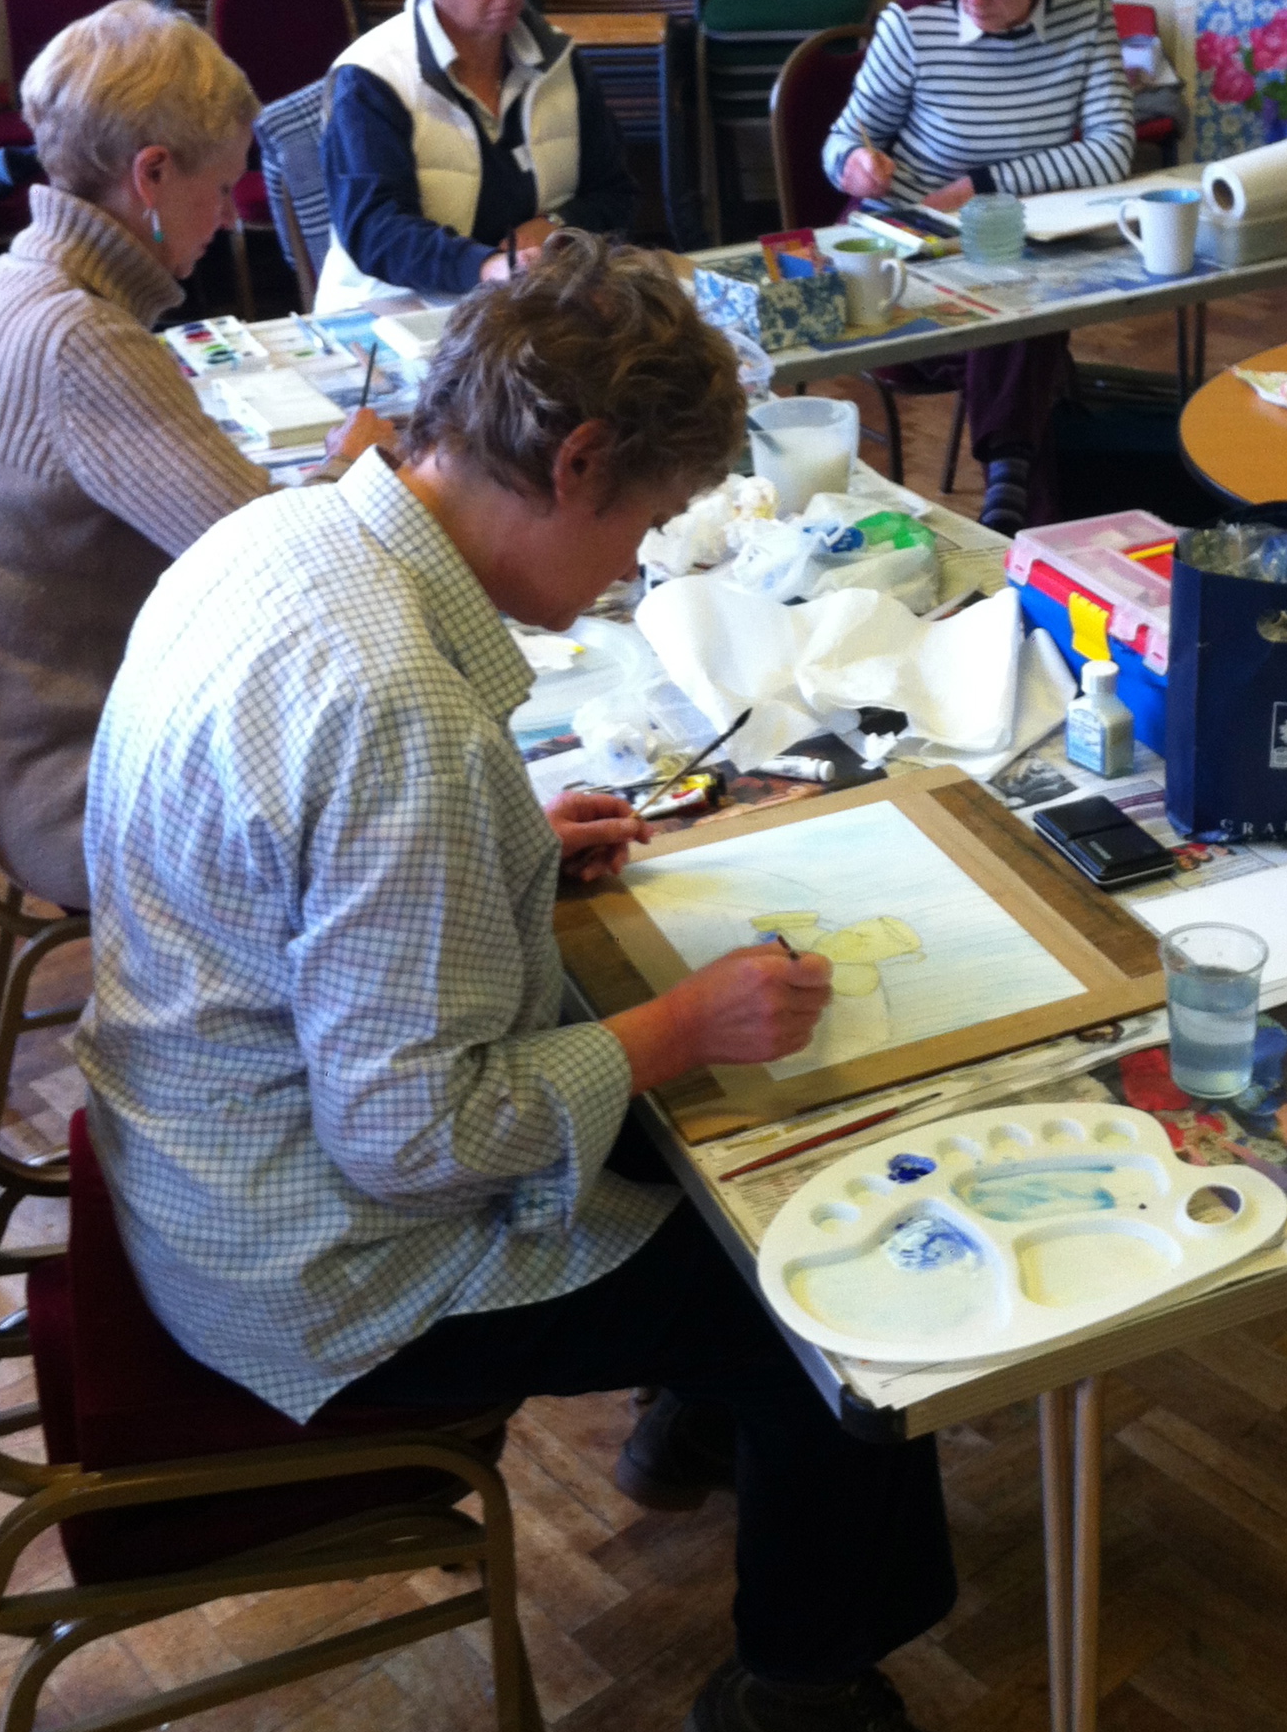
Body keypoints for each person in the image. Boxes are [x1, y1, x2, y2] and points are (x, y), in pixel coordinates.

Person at [75, 236, 957, 1732]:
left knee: (684, 1141)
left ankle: (692, 1426)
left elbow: (295, 865)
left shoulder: (282, 538)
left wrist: (498, 851)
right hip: (309, 1257)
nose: (636, 564)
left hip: (187, 1147)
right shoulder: (401, 705)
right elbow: (410, 1142)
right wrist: (682, 1023)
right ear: (580, 461)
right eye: (651, 523)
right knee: (828, 1279)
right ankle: (800, 1681)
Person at [0, 0, 389, 910]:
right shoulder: (81, 344)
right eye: (219, 190)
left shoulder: (10, 284)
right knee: (433, 766)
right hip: (89, 793)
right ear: (152, 175)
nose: (222, 217)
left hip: (41, 747)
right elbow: (287, 569)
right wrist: (358, 466)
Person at [822, 0, 1132, 533]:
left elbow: (1112, 150)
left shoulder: (1085, 11)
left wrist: (984, 185)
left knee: (1020, 301)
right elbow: (843, 139)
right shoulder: (914, 26)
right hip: (908, 269)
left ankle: (1010, 501)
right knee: (1028, 324)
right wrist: (854, 165)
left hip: (1015, 255)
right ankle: (1016, 495)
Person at [316, 0, 642, 312]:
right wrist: (484, 267)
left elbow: (616, 193)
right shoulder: (370, 79)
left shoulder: (558, 59)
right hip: (397, 317)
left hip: (524, 310)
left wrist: (557, 225)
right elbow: (376, 231)